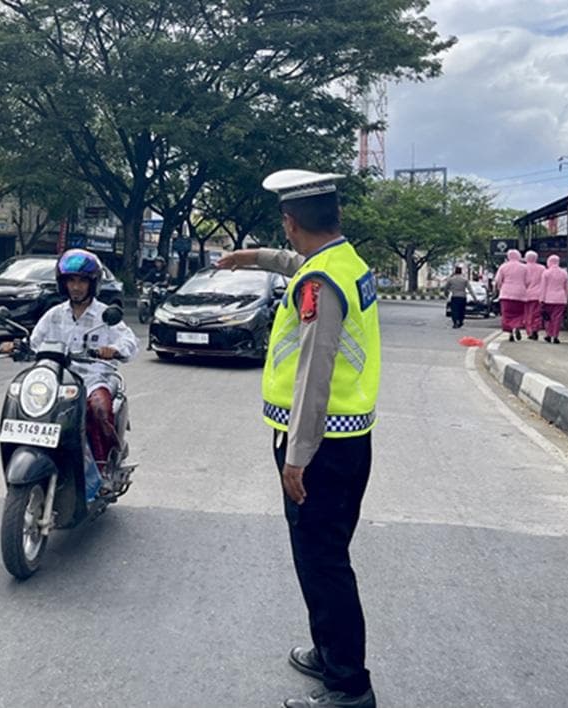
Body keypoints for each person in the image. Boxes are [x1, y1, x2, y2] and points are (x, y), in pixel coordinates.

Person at [218, 169, 380, 708]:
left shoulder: (320, 285)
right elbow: (296, 264)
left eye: (283, 228)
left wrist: (297, 457)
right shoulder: (344, 263)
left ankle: (350, 686)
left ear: (291, 222)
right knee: (322, 553)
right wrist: (251, 257)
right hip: (347, 440)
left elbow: (315, 374)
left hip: (320, 446)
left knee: (322, 560)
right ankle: (328, 649)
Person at [0, 249, 138, 480]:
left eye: (82, 281)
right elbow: (34, 341)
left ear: (92, 284)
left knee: (99, 409)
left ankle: (104, 465)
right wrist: (15, 346)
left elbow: (129, 340)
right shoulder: (54, 314)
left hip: (94, 378)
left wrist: (114, 350)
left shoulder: (105, 315)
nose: (76, 286)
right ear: (63, 284)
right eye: (71, 280)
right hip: (59, 378)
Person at [495, 249, 528, 341]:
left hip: (506, 294)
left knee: (507, 314)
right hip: (520, 294)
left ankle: (510, 333)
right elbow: (527, 281)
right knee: (519, 313)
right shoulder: (524, 267)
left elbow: (498, 280)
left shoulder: (503, 267)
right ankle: (517, 326)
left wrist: (500, 288)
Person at [541, 255, 568, 344]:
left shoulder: (546, 273)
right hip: (560, 299)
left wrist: (541, 299)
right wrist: (566, 298)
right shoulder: (564, 273)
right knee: (557, 318)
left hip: (548, 298)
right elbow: (566, 287)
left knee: (547, 318)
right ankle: (555, 335)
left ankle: (549, 334)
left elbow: (543, 287)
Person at [522, 250, 545, 340]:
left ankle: (529, 331)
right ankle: (535, 328)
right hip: (538, 295)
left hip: (525, 295)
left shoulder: (523, 268)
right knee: (537, 314)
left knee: (527, 314)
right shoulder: (542, 268)